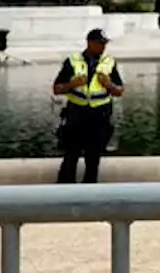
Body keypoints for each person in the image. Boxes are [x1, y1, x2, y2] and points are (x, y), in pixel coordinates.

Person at [52, 27, 124, 184]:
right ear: (89, 43)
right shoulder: (73, 61)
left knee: (93, 158)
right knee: (71, 155)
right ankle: (64, 190)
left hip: (99, 116)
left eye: (104, 44)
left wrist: (109, 85)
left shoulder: (109, 62)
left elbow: (120, 91)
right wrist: (72, 84)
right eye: (99, 43)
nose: (103, 47)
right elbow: (56, 89)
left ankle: (90, 191)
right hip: (77, 114)